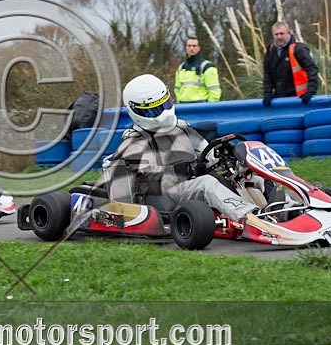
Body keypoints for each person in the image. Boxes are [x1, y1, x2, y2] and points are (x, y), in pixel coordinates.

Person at [101, 74, 259, 223]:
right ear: (136, 111)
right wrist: (191, 169)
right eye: (154, 109)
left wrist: (227, 158)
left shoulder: (182, 127)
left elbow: (209, 155)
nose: (164, 112)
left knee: (251, 178)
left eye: (164, 104)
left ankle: (271, 212)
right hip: (162, 196)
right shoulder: (134, 139)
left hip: (188, 187)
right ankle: (252, 221)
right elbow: (150, 178)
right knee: (207, 183)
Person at [262, 21, 319, 106]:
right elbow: (267, 74)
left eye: (282, 33)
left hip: (300, 98)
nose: (279, 37)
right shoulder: (270, 50)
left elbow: (312, 69)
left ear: (289, 33)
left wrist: (311, 91)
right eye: (276, 34)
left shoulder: (298, 48)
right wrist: (267, 93)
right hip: (280, 97)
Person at [174, 37, 222, 103]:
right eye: (189, 46)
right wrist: (179, 102)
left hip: (201, 105)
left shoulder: (207, 67)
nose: (191, 48)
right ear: (186, 48)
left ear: (199, 48)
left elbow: (214, 91)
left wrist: (210, 106)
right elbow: (177, 89)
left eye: (194, 46)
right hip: (183, 104)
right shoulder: (181, 68)